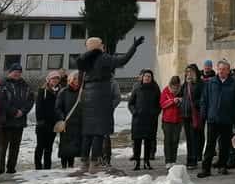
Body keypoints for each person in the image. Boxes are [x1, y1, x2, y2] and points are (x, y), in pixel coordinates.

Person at [75, 35, 144, 174]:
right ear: (98, 46)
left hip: (88, 96)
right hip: (101, 96)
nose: (103, 46)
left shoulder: (83, 60)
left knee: (88, 133)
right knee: (99, 133)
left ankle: (84, 164)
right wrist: (134, 47)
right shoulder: (103, 57)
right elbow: (122, 60)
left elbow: (80, 80)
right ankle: (94, 164)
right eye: (101, 44)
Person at [197, 59, 235, 178]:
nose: (221, 71)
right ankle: (206, 169)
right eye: (220, 69)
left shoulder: (234, 84)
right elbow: (204, 100)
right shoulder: (210, 83)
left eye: (224, 69)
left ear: (228, 71)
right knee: (210, 145)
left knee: (225, 145)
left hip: (227, 119)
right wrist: (203, 115)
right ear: (217, 69)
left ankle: (222, 166)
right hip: (213, 119)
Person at [0, 63, 33, 176]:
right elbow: (1, 102)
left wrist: (22, 111)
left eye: (19, 72)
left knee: (15, 147)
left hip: (19, 122)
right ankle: (0, 170)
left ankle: (11, 168)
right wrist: (13, 111)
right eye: (15, 71)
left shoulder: (25, 85)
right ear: (10, 72)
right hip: (5, 122)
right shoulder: (3, 84)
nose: (17, 74)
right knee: (2, 148)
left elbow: (30, 100)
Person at [129, 69, 162, 170]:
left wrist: (155, 113)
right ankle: (137, 162)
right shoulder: (137, 88)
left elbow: (159, 104)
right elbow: (131, 103)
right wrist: (135, 112)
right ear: (142, 77)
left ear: (151, 78)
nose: (147, 78)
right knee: (137, 142)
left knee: (148, 142)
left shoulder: (155, 88)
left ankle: (147, 162)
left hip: (150, 120)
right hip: (138, 120)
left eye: (149, 76)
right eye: (145, 76)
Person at [55, 71, 83, 168]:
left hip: (77, 123)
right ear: (70, 79)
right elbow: (58, 107)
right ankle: (63, 166)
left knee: (74, 147)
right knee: (65, 146)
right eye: (74, 78)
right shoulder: (63, 92)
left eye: (78, 79)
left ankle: (71, 166)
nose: (76, 81)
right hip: (66, 123)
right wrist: (62, 119)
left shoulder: (81, 92)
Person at [34, 71, 61, 170]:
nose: (55, 80)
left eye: (57, 79)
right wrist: (40, 120)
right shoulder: (42, 91)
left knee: (49, 147)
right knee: (40, 146)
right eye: (53, 78)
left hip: (53, 124)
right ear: (49, 80)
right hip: (42, 123)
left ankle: (47, 167)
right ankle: (38, 166)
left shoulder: (59, 91)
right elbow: (38, 107)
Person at [180, 64, 205, 169]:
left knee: (195, 138)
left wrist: (195, 103)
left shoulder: (199, 84)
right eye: (187, 72)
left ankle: (194, 159)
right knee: (189, 139)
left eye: (190, 71)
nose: (188, 74)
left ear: (195, 73)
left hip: (194, 114)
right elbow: (180, 95)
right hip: (185, 114)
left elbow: (203, 99)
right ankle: (189, 158)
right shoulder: (185, 84)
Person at [160, 75, 184, 166]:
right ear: (171, 84)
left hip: (178, 120)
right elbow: (162, 104)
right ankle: (168, 161)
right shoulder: (166, 91)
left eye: (176, 87)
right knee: (168, 141)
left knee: (175, 141)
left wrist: (181, 101)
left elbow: (185, 102)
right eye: (173, 87)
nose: (175, 89)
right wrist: (172, 101)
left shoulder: (181, 91)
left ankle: (173, 160)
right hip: (167, 120)